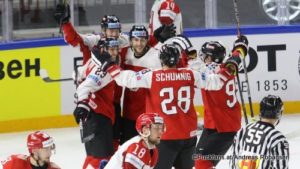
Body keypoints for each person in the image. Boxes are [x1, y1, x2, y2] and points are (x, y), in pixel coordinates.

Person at [100, 44, 203, 169]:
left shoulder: (152, 76)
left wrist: (110, 66)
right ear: (178, 59)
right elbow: (214, 82)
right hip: (189, 135)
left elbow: (127, 80)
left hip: (165, 135)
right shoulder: (191, 74)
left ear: (161, 59)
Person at [192, 36, 249, 169]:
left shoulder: (211, 72)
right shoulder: (228, 66)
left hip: (225, 127)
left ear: (211, 58)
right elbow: (238, 54)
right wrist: (241, 46)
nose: (203, 59)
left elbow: (201, 75)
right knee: (198, 160)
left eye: (205, 56)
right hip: (213, 124)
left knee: (202, 163)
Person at [73, 38, 120, 169]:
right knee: (102, 158)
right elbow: (84, 87)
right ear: (103, 50)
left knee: (92, 156)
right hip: (99, 118)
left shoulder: (93, 60)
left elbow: (77, 72)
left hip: (93, 116)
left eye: (116, 49)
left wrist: (82, 102)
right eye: (111, 49)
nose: (115, 53)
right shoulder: (104, 70)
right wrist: (82, 103)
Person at [118, 25, 162, 144]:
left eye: (142, 40)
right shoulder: (125, 54)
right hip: (128, 114)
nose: (139, 44)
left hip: (149, 115)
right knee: (127, 148)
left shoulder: (157, 57)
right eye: (136, 40)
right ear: (131, 40)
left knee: (150, 150)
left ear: (147, 40)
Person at [231, 95, 289, 169]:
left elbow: (233, 162)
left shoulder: (243, 131)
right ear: (279, 113)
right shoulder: (278, 138)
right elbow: (282, 167)